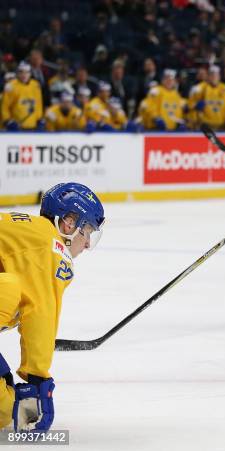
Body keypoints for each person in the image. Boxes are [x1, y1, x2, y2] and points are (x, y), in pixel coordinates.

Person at [0, 182, 105, 431]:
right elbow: (41, 312)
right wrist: (38, 380)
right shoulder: (51, 246)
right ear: (69, 223)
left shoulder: (28, 233)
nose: (88, 243)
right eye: (87, 231)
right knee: (3, 408)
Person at [1, 61, 44, 131]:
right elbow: (4, 106)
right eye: (21, 72)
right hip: (17, 126)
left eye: (26, 72)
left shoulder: (35, 85)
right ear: (17, 73)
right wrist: (7, 120)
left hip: (33, 126)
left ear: (30, 73)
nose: (24, 75)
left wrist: (39, 118)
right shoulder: (11, 86)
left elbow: (38, 104)